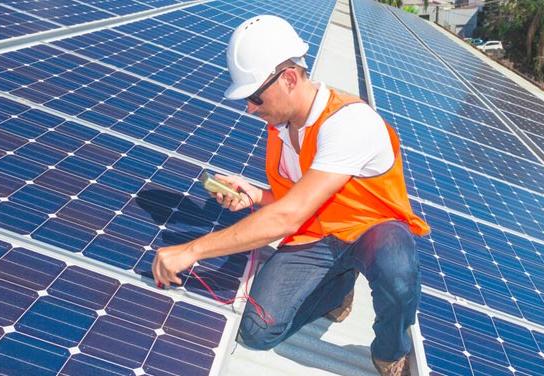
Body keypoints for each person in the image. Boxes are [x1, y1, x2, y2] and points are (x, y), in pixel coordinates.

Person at [151, 15, 430, 376]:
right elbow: (292, 200)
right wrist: (255, 195)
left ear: (288, 78)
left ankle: (390, 351)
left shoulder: (348, 123)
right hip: (318, 233)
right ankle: (338, 287)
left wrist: (191, 250)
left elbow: (289, 216)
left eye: (254, 96)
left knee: (397, 273)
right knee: (257, 331)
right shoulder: (281, 129)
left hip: (373, 230)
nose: (249, 107)